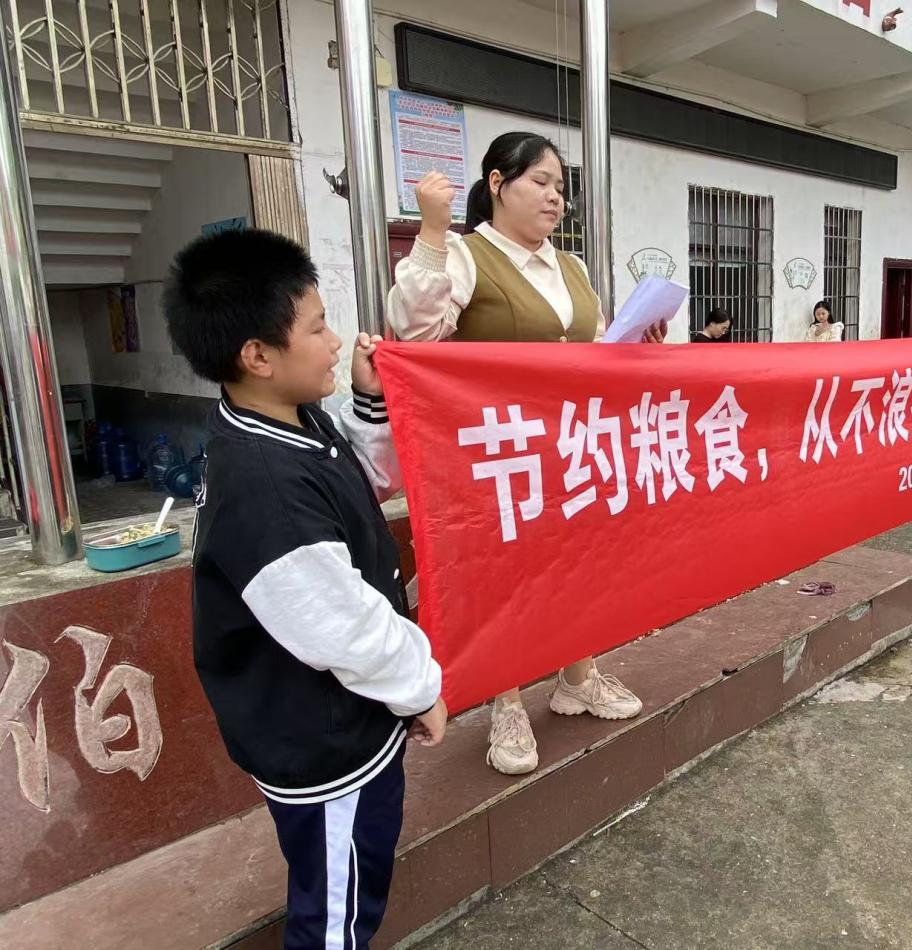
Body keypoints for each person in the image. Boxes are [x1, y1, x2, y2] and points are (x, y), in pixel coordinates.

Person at [164, 229, 447, 949]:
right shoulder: (263, 486)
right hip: (326, 745)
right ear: (256, 356)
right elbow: (340, 625)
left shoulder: (282, 420)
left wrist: (368, 399)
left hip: (339, 721)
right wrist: (418, 687)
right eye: (317, 327)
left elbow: (355, 479)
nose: (334, 340)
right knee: (334, 917)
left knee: (342, 890)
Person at [387, 132, 659, 776]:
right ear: (497, 182)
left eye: (561, 186)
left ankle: (578, 675)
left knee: (580, 563)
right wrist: (430, 230)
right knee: (506, 573)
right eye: (540, 181)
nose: (554, 196)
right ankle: (505, 700)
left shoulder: (573, 268)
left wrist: (634, 338)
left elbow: (593, 348)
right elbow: (416, 331)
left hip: (571, 447)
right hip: (500, 455)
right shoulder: (465, 254)